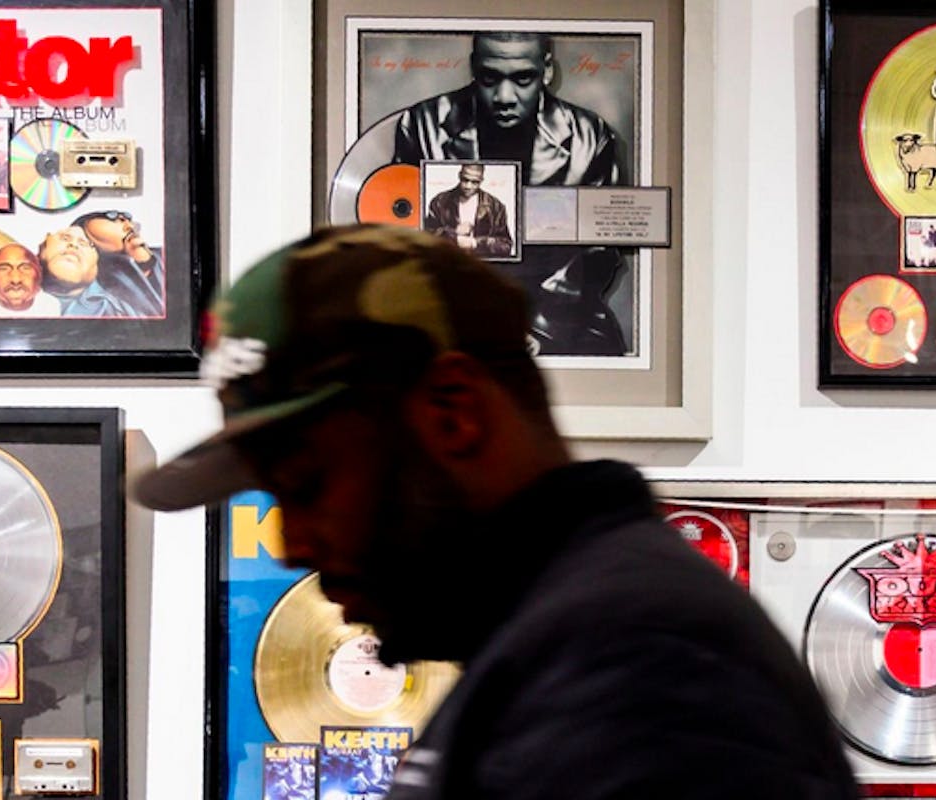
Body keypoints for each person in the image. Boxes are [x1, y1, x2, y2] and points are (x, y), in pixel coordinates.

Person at [135, 225, 858, 799]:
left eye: (308, 483)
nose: (292, 543)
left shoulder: (639, 665)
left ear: (453, 414)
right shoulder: (556, 646)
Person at [391, 32, 632, 355]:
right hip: (450, 314)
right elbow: (400, 238)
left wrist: (533, 324)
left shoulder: (589, 135)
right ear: (474, 67)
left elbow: (601, 247)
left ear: (546, 71)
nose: (505, 96)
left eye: (523, 79)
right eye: (490, 78)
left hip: (560, 317)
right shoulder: (422, 124)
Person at [72, 210, 165, 317]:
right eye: (115, 221)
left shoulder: (170, 255)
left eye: (127, 221)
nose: (130, 226)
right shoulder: (100, 303)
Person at [423, 163, 513, 257]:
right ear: (459, 175)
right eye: (465, 180)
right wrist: (454, 235)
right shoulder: (440, 201)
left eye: (475, 182)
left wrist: (475, 243)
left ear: (481, 180)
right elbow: (426, 238)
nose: (468, 186)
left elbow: (506, 246)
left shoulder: (496, 206)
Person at [0, 243, 62, 317]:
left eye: (25, 268)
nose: (16, 280)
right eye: (4, 268)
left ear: (39, 272)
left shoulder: (54, 308)